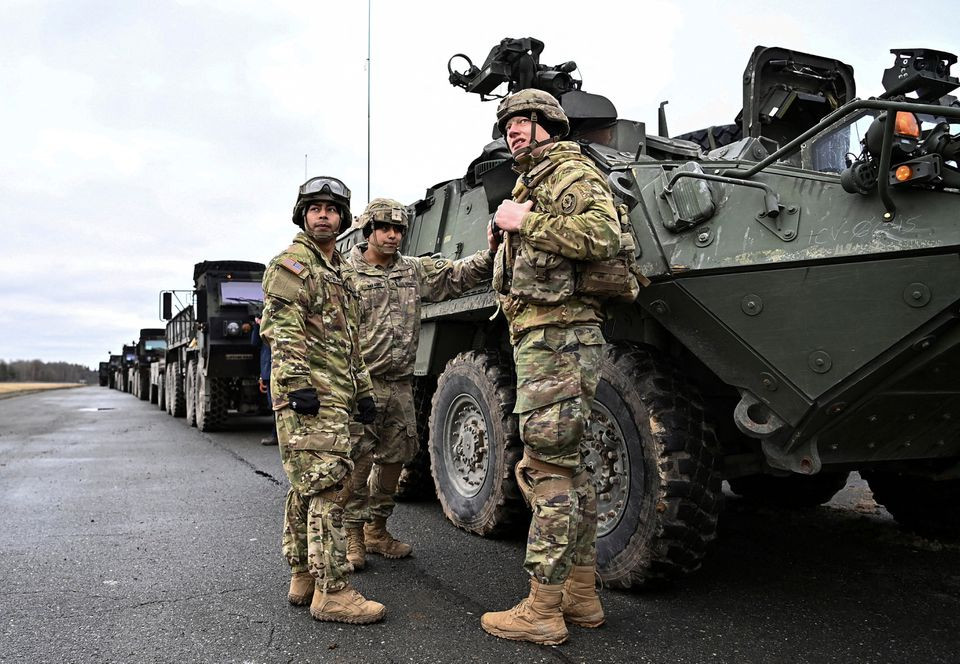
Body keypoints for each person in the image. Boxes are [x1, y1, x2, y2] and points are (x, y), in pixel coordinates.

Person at [480, 89, 621, 645]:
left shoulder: (568, 172)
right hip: (549, 336)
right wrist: (505, 240)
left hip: (557, 336)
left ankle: (542, 608)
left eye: (526, 121)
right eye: (510, 122)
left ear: (550, 126)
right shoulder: (535, 182)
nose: (515, 130)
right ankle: (581, 597)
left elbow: (602, 235)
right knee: (572, 468)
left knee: (547, 471)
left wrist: (527, 222)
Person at [342, 197, 498, 570]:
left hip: (399, 384)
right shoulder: (345, 275)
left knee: (396, 458)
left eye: (398, 230)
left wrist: (492, 252)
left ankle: (377, 530)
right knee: (358, 461)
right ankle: (352, 535)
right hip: (360, 384)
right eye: (385, 228)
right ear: (369, 232)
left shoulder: (412, 271)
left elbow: (458, 275)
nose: (393, 236)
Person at [260, 176, 384, 625]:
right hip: (309, 395)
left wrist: (365, 392)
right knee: (330, 486)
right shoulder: (292, 264)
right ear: (302, 215)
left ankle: (302, 573)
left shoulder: (340, 273)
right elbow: (280, 327)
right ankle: (333, 590)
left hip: (338, 394)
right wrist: (296, 385)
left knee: (307, 485)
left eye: (331, 209)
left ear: (343, 218)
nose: (323, 215)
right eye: (314, 208)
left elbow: (351, 341)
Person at [250, 316, 277, 445]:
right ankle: (277, 434)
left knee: (276, 405)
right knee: (273, 405)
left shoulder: (275, 324)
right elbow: (255, 343)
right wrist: (257, 325)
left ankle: (276, 435)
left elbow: (256, 343)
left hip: (275, 369)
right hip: (268, 370)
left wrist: (261, 324)